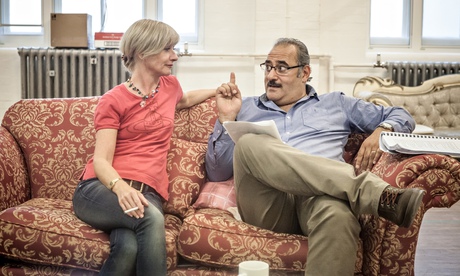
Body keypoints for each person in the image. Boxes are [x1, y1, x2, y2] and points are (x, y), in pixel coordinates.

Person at [205, 38, 425, 276]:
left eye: (281, 67)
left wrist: (384, 130)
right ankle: (376, 194)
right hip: (267, 204)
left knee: (338, 216)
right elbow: (217, 172)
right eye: (267, 67)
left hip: (321, 197)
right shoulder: (245, 107)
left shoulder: (336, 104)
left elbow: (402, 116)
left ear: (304, 72)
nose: (271, 75)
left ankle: (369, 195)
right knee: (249, 142)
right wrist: (227, 119)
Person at [72, 19, 214, 275]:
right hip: (100, 189)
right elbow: (102, 161)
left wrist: (218, 90)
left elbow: (186, 100)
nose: (175, 56)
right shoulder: (113, 100)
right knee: (151, 218)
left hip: (147, 193)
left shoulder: (170, 87)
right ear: (142, 52)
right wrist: (121, 188)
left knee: (127, 248)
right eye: (168, 49)